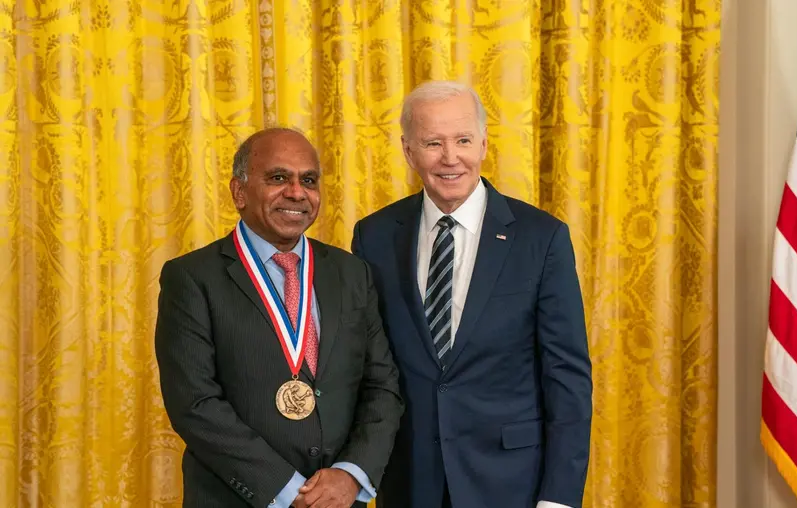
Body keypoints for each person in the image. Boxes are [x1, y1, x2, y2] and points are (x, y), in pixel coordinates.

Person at [351, 81, 593, 508]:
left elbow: (567, 378)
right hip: (410, 482)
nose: (450, 158)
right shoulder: (374, 236)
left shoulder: (542, 238)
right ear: (408, 151)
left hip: (512, 484)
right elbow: (366, 367)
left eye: (463, 140)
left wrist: (559, 499)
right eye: (433, 143)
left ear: (483, 144)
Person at [155, 128, 404, 508]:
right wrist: (289, 491)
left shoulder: (353, 273)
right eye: (277, 178)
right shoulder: (191, 278)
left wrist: (351, 474)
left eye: (308, 180)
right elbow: (195, 404)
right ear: (239, 192)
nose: (296, 192)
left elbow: (382, 386)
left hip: (339, 500)